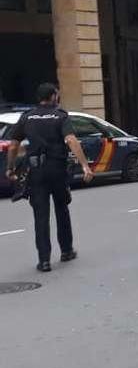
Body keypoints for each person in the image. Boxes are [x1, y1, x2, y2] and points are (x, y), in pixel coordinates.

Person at [4, 83, 94, 272]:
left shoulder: (27, 117)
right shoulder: (60, 115)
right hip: (57, 169)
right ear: (53, 96)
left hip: (36, 171)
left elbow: (13, 145)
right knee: (62, 209)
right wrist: (85, 166)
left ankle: (44, 260)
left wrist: (10, 168)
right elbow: (71, 140)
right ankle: (66, 251)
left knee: (40, 216)